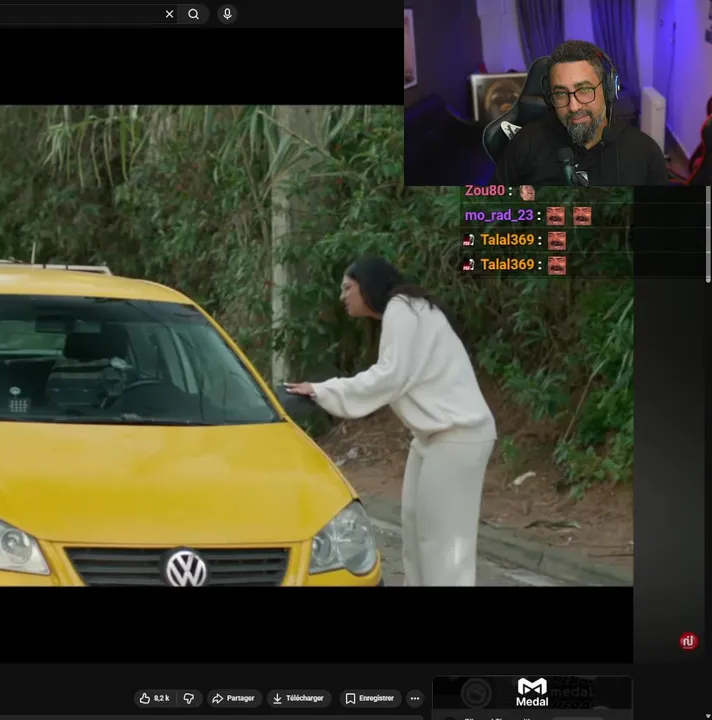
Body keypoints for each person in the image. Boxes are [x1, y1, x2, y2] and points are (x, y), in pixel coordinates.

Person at [284, 256, 496, 587]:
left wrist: (323, 390)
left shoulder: (404, 309)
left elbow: (388, 377)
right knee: (415, 531)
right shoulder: (405, 311)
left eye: (348, 288)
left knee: (443, 543)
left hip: (458, 435)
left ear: (368, 285)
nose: (342, 296)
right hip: (430, 438)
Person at [494, 40, 667, 187]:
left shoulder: (646, 154)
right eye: (561, 93)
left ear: (607, 90)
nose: (574, 107)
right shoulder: (525, 143)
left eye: (584, 90)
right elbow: (490, 209)